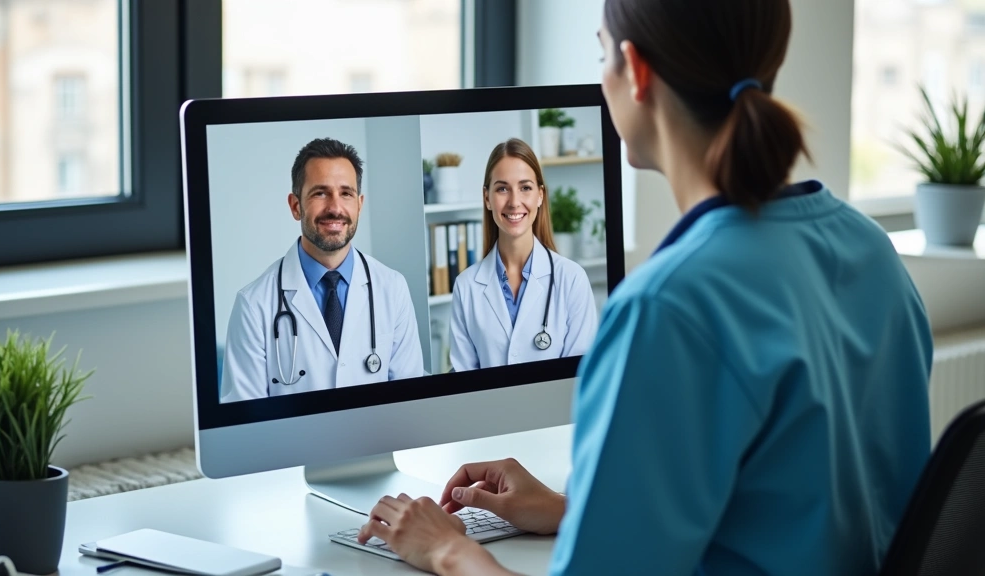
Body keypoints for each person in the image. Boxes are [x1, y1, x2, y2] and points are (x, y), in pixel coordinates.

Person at [355, 0, 934, 574]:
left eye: (601, 53)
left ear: (635, 72)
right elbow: (781, 501)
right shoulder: (869, 248)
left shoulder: (667, 308)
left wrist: (446, 548)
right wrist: (570, 509)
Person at [220, 138, 424, 402]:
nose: (335, 208)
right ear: (296, 206)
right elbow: (244, 422)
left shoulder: (393, 288)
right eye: (320, 193)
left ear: (359, 204)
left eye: (346, 193)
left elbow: (411, 401)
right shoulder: (253, 304)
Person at [449, 138, 598, 372]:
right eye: (502, 189)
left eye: (525, 188)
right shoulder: (466, 287)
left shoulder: (571, 279)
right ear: (487, 198)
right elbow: (463, 385)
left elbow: (580, 380)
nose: (514, 202)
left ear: (540, 195)